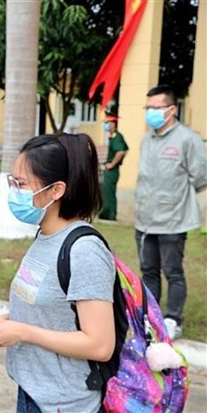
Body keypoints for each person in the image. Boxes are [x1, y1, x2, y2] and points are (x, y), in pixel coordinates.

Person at [0, 133, 116, 413]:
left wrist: (22, 331)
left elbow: (100, 345)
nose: (14, 191)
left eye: (22, 184)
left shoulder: (84, 250)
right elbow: (56, 310)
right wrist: (10, 322)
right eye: (12, 182)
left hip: (65, 404)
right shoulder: (46, 235)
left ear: (56, 190)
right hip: (33, 394)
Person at [135, 85, 207, 340]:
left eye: (156, 108)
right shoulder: (147, 139)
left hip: (174, 220)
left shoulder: (187, 139)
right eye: (148, 108)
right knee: (148, 271)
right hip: (145, 220)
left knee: (173, 271)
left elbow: (201, 176)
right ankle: (151, 318)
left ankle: (173, 318)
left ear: (171, 109)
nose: (151, 113)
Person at [98, 112, 128, 221]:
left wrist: (112, 164)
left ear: (113, 124)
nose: (106, 125)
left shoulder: (117, 137)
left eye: (107, 122)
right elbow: (125, 150)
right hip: (110, 169)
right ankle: (106, 213)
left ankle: (109, 215)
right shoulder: (112, 137)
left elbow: (121, 152)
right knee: (107, 191)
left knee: (109, 192)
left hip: (112, 170)